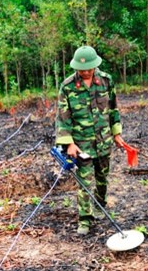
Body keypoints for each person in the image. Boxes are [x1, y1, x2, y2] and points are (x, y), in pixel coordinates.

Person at [55, 45, 126, 235]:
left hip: (104, 140)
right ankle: (85, 219)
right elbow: (63, 117)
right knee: (84, 182)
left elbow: (113, 109)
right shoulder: (68, 86)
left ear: (95, 66)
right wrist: (69, 142)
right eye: (82, 69)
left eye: (89, 69)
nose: (85, 72)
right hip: (81, 144)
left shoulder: (106, 81)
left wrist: (117, 133)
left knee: (102, 178)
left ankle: (100, 205)